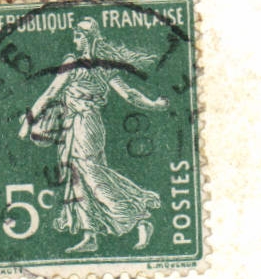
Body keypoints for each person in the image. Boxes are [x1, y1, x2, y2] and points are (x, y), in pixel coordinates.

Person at [19, 18, 167, 254]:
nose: (75, 40)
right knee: (78, 178)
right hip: (79, 124)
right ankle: (91, 235)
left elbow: (50, 92)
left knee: (92, 175)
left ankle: (138, 215)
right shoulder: (105, 66)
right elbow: (129, 94)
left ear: (88, 39)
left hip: (84, 124)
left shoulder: (74, 63)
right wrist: (153, 104)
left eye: (78, 36)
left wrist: (29, 120)